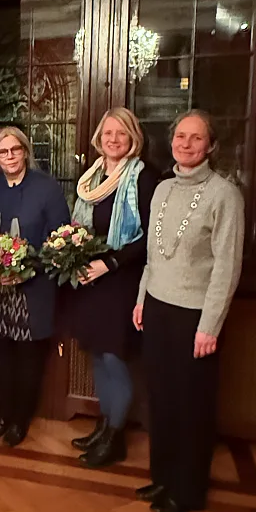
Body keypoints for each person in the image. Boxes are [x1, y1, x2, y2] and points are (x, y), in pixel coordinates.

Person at [133, 110, 244, 512]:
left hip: (196, 316)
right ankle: (162, 477)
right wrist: (143, 298)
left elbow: (227, 267)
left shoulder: (224, 195)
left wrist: (210, 325)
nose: (186, 143)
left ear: (210, 145)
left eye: (196, 138)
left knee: (191, 404)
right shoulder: (162, 189)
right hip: (159, 309)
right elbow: (152, 254)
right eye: (181, 136)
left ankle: (188, 489)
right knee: (161, 399)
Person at [66, 107, 159, 467]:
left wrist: (110, 263)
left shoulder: (143, 177)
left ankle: (116, 437)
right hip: (90, 282)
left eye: (122, 133)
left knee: (114, 358)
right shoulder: (91, 178)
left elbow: (149, 237)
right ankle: (104, 427)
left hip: (121, 279)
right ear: (99, 139)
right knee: (98, 357)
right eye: (108, 133)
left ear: (133, 137)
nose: (114, 139)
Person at [0, 127, 70, 447]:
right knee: (1, 356)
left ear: (26, 151)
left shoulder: (46, 188)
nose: (9, 157)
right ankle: (3, 412)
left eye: (15, 150)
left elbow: (59, 240)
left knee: (27, 359)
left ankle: (20, 418)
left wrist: (27, 270)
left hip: (33, 290)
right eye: (2, 152)